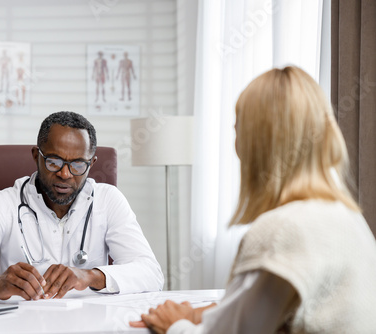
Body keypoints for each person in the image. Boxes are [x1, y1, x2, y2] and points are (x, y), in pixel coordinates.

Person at [130, 66, 376, 333]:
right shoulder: (347, 217)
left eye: (238, 129)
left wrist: (174, 324)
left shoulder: (283, 230)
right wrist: (193, 313)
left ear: (253, 143)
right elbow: (268, 309)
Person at [0, 111, 163, 300]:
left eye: (78, 164)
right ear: (35, 155)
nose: (64, 174)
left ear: (92, 163)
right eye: (54, 161)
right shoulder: (2, 204)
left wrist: (90, 276)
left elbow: (151, 274)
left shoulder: (109, 200)